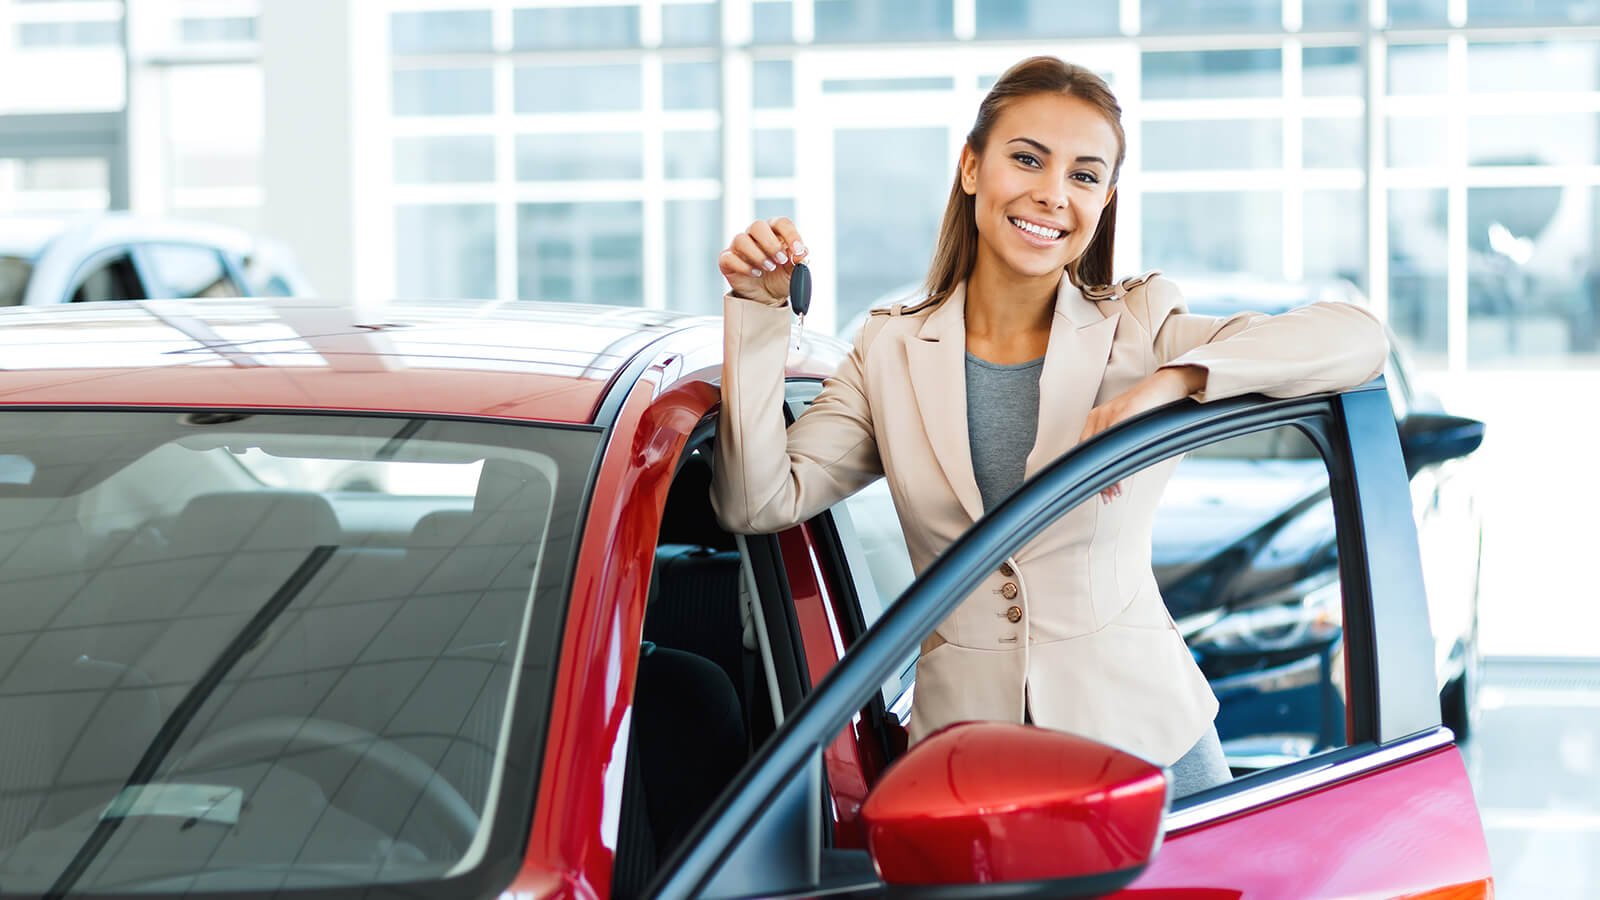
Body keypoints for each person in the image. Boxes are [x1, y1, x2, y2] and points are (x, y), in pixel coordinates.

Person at [709, 56, 1387, 797]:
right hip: (970, 764)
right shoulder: (889, 349)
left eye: (1084, 175)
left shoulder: (1139, 328)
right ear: (972, 167)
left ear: (1104, 199)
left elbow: (1356, 337)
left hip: (1148, 750)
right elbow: (757, 500)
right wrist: (758, 312)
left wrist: (1168, 385)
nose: (1053, 194)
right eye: (1028, 159)